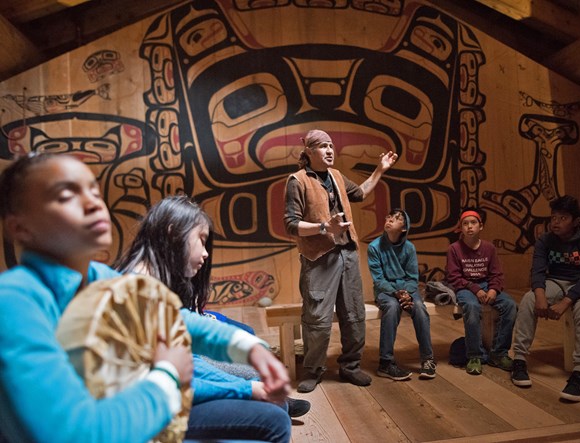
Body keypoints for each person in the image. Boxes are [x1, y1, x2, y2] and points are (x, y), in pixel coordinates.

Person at [0, 153, 290, 443]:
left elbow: (168, 316)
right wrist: (168, 374)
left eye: (94, 191)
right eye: (66, 195)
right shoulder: (14, 303)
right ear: (20, 228)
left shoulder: (98, 276)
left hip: (135, 414)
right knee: (269, 422)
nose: (93, 203)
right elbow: (72, 433)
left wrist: (250, 348)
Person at [115, 194, 310, 417]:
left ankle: (274, 399)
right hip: (151, 403)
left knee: (249, 359)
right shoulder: (137, 289)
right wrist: (246, 389)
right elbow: (178, 374)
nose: (206, 253)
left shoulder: (157, 281)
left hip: (180, 369)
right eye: (201, 239)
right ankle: (275, 402)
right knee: (271, 417)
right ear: (173, 232)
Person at [284, 129, 398, 393]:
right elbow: (291, 225)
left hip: (347, 254)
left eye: (331, 146)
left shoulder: (336, 176)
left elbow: (359, 194)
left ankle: (350, 366)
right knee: (317, 319)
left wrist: (379, 170)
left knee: (354, 314)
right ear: (309, 152)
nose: (329, 150)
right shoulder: (297, 180)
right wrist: (324, 227)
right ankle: (313, 370)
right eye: (323, 146)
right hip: (319, 258)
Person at [510, 195, 580, 402]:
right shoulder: (546, 240)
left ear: (575, 221)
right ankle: (518, 360)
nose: (555, 222)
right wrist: (540, 295)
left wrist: (566, 301)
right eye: (554, 217)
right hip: (556, 280)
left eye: (562, 218)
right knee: (528, 300)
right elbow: (537, 270)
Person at [367, 208, 437, 381]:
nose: (390, 219)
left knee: (420, 308)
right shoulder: (374, 247)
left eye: (396, 219)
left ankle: (427, 360)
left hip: (407, 290)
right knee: (391, 307)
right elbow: (379, 280)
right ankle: (385, 363)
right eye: (389, 216)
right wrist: (397, 293)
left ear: (404, 228)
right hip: (386, 291)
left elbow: (413, 277)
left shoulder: (409, 248)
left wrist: (406, 293)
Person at [445, 209, 517, 376]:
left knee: (510, 305)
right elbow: (454, 277)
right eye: (465, 223)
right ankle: (474, 355)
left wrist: (493, 289)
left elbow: (496, 274)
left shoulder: (489, 248)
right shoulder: (454, 249)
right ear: (461, 228)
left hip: (486, 285)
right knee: (471, 307)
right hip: (466, 288)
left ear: (481, 226)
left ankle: (499, 353)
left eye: (473, 223)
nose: (469, 227)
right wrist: (475, 290)